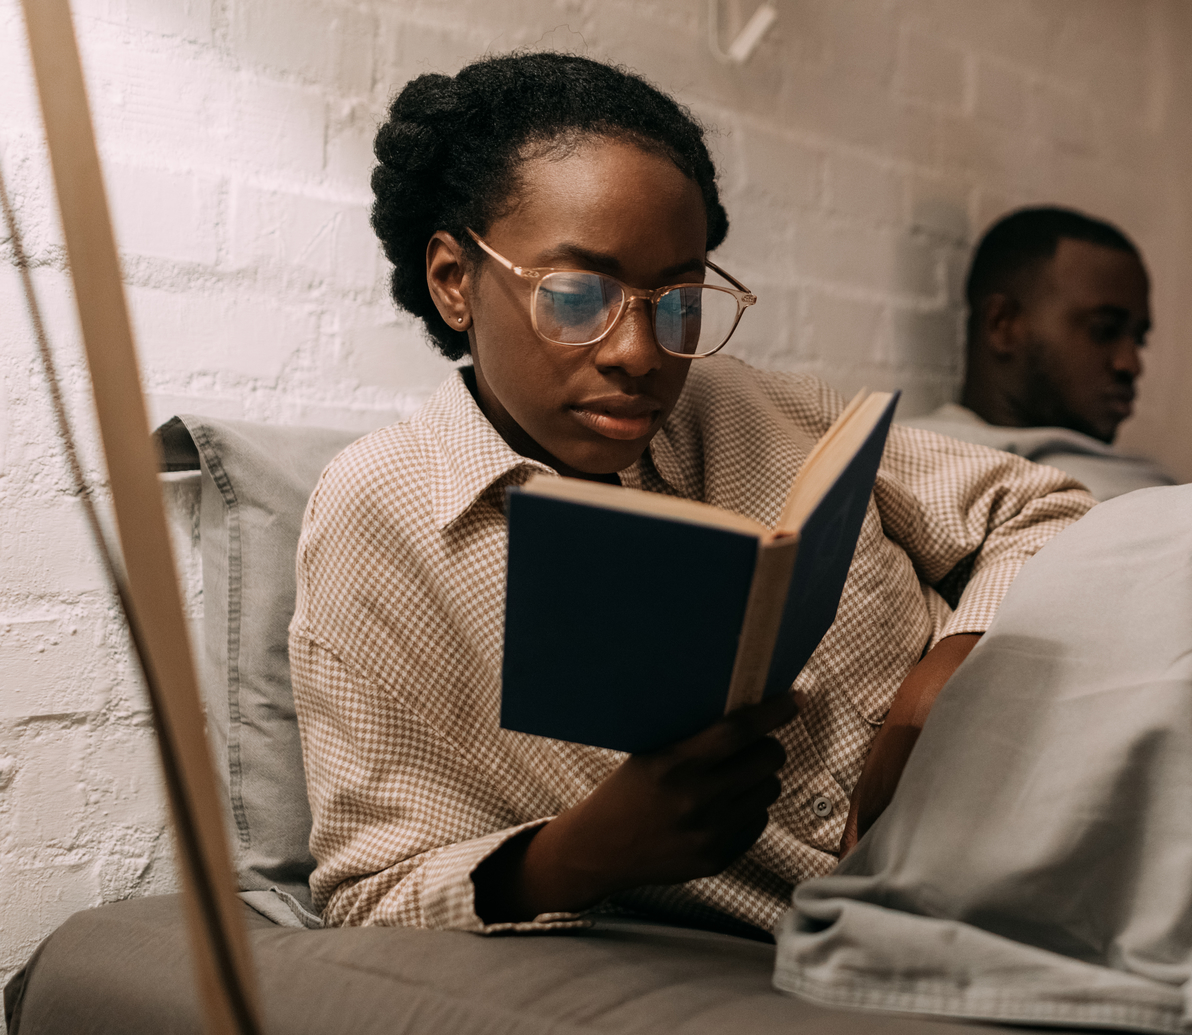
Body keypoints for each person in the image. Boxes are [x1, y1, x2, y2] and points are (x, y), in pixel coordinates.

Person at [287, 53, 1093, 938]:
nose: (640, 351)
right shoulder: (382, 515)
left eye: (678, 300)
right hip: (903, 925)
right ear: (452, 281)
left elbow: (1043, 509)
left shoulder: (746, 405)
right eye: (578, 294)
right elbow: (369, 894)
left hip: (1040, 797)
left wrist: (941, 682)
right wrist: (579, 854)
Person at [904, 207, 1175, 500]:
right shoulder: (912, 468)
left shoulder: (1151, 481)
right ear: (1003, 324)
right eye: (1104, 330)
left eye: (1139, 339)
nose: (1131, 365)